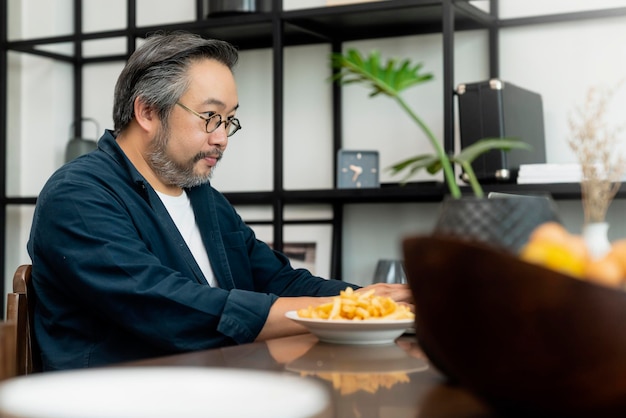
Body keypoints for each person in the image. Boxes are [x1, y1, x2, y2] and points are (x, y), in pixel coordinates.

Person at [27, 31, 413, 371]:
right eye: (210, 117)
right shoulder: (77, 195)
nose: (222, 138)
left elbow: (278, 279)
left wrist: (371, 303)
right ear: (147, 111)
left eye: (229, 120)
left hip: (221, 386)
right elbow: (167, 306)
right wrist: (340, 312)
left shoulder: (200, 195)